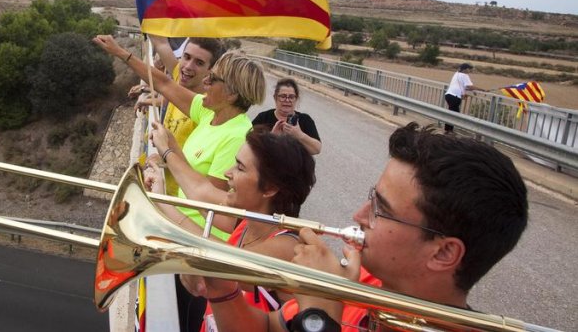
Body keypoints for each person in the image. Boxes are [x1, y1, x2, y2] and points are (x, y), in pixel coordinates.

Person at [184, 122, 528, 332]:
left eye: (381, 209)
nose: (359, 215)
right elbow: (263, 329)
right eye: (370, 198)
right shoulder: (362, 282)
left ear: (444, 252)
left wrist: (322, 315)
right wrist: (221, 288)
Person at [93, 34, 265, 332]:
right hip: (179, 235)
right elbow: (166, 84)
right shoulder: (210, 112)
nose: (205, 84)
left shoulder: (237, 135)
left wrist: (169, 150)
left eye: (213, 79)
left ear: (232, 94)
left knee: (182, 321)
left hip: (199, 253)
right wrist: (122, 53)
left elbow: (215, 205)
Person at [144, 131, 316, 332]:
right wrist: (160, 194)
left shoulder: (289, 247)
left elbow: (215, 257)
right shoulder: (246, 221)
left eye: (240, 168)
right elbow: (199, 194)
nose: (228, 172)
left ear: (269, 188)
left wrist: (161, 200)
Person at [131, 36, 225, 196]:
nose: (188, 66)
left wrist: (162, 160)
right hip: (157, 184)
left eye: (199, 62)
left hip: (176, 198)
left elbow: (195, 166)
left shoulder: (208, 112)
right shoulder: (181, 78)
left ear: (212, 71)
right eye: (186, 57)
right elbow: (160, 42)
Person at [251, 77, 322, 155]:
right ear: (275, 98)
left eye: (291, 97)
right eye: (283, 96)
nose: (287, 100)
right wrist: (272, 137)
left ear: (296, 99)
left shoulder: (305, 120)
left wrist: (299, 135)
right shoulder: (263, 118)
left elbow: (316, 149)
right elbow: (249, 145)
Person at [443, 63, 483, 132]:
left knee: (452, 113)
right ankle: (448, 131)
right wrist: (482, 89)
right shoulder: (465, 75)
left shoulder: (456, 74)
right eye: (469, 69)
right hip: (454, 97)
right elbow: (469, 86)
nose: (470, 71)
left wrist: (465, 92)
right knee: (454, 115)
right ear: (466, 69)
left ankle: (448, 130)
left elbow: (462, 86)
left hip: (449, 95)